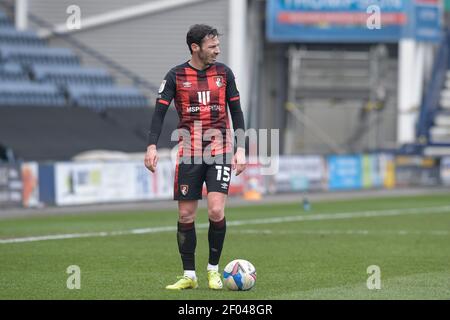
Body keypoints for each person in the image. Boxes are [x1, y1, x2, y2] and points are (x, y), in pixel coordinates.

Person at [144, 24, 246, 290]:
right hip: (189, 150)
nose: (217, 51)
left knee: (215, 209)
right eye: (212, 46)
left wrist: (241, 148)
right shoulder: (176, 76)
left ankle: (213, 269)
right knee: (186, 215)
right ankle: (189, 275)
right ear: (195, 47)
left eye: (218, 46)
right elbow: (159, 114)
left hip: (219, 149)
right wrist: (152, 146)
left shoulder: (225, 74)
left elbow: (236, 111)